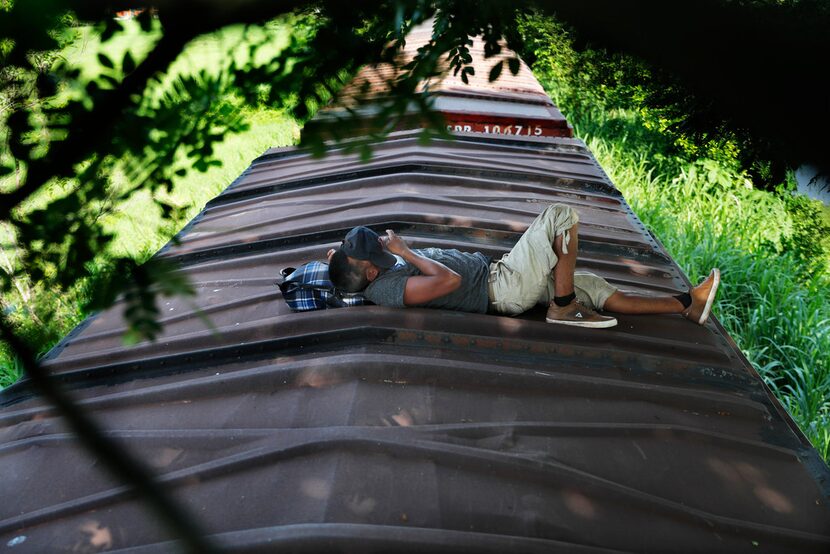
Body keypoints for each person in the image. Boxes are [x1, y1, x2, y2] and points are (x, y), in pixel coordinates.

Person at [327, 204, 719, 329]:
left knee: (595, 286)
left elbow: (342, 265)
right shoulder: (386, 290)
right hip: (504, 288)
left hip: (503, 276)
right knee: (560, 216)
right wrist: (407, 250)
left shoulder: (357, 269)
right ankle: (563, 307)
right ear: (372, 273)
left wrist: (336, 260)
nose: (387, 251)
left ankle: (688, 303)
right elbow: (450, 281)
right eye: (378, 256)